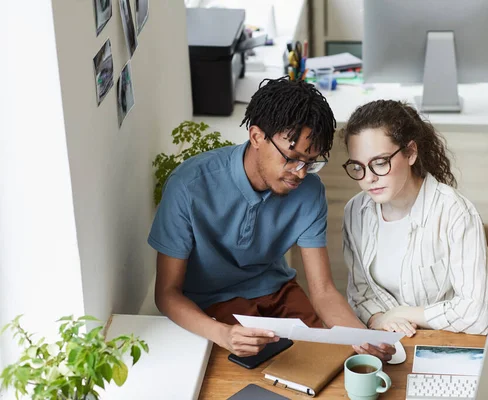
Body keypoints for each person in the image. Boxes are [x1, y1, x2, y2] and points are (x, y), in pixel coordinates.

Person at [148, 78, 395, 360]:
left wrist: (362, 337)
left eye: (310, 162)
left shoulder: (309, 191)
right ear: (256, 137)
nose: (300, 173)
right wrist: (222, 334)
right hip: (211, 303)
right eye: (292, 158)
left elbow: (323, 290)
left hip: (278, 292)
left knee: (327, 362)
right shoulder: (188, 186)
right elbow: (166, 293)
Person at [340, 100, 488, 337]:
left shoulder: (455, 213)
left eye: (380, 163)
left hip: (456, 341)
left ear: (411, 152)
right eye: (358, 167)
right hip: (393, 337)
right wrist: (379, 320)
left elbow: (477, 314)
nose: (368, 179)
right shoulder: (356, 211)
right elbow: (361, 294)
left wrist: (403, 314)